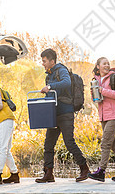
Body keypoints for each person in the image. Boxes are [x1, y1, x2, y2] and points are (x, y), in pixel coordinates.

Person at [35, 48, 90, 183]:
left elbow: (67, 83)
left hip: (65, 112)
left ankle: (84, 169)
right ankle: (48, 173)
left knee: (69, 143)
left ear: (52, 61)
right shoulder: (48, 75)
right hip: (53, 114)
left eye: (44, 61)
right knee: (48, 144)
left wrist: (50, 86)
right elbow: (53, 94)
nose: (43, 63)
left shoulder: (61, 70)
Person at [88, 57, 115, 182]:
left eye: (108, 63)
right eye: (104, 64)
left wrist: (104, 91)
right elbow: (96, 100)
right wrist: (94, 93)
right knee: (114, 145)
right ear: (98, 67)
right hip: (103, 116)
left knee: (105, 143)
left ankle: (101, 171)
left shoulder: (114, 78)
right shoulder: (96, 80)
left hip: (114, 115)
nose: (107, 65)